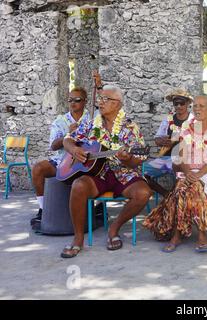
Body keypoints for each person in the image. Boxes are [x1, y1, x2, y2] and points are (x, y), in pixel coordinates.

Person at [60, 85, 152, 258]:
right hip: (97, 174)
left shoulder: (130, 127)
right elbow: (67, 139)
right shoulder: (89, 123)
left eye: (105, 99)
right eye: (99, 99)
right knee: (78, 186)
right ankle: (78, 238)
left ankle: (114, 228)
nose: (100, 103)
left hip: (122, 172)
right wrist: (73, 149)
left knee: (143, 192)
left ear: (117, 104)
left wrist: (127, 158)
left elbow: (137, 160)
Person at [143, 94, 207, 253]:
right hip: (188, 173)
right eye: (195, 106)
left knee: (192, 187)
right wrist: (188, 171)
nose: (197, 109)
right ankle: (194, 235)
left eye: (202, 106)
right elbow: (181, 155)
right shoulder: (187, 128)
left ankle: (185, 235)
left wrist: (198, 175)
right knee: (184, 187)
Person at [30, 88, 91, 230]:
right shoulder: (60, 120)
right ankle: (43, 209)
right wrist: (68, 134)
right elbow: (53, 146)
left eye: (77, 100)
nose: (73, 103)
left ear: (85, 101)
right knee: (38, 169)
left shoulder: (93, 118)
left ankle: (98, 208)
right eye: (70, 100)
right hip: (61, 161)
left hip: (84, 160)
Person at [143, 88, 194, 197]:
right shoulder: (168, 119)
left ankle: (181, 198)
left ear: (188, 103)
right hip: (166, 159)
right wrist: (161, 141)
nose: (179, 106)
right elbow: (157, 139)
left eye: (182, 103)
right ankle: (167, 195)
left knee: (185, 175)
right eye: (176, 103)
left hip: (186, 160)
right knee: (142, 174)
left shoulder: (194, 120)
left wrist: (180, 141)